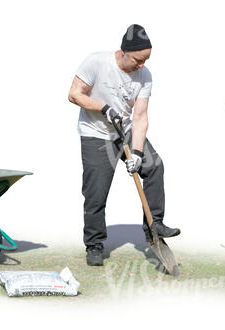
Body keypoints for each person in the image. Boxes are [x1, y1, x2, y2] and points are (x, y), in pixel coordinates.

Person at [68, 24, 180, 266]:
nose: (142, 65)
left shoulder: (145, 75)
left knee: (155, 167)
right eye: (138, 60)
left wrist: (137, 153)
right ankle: (94, 244)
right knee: (96, 193)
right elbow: (74, 94)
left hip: (125, 131)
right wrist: (102, 108)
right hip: (96, 134)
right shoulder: (97, 62)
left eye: (146, 60)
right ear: (124, 51)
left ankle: (155, 228)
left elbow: (140, 116)